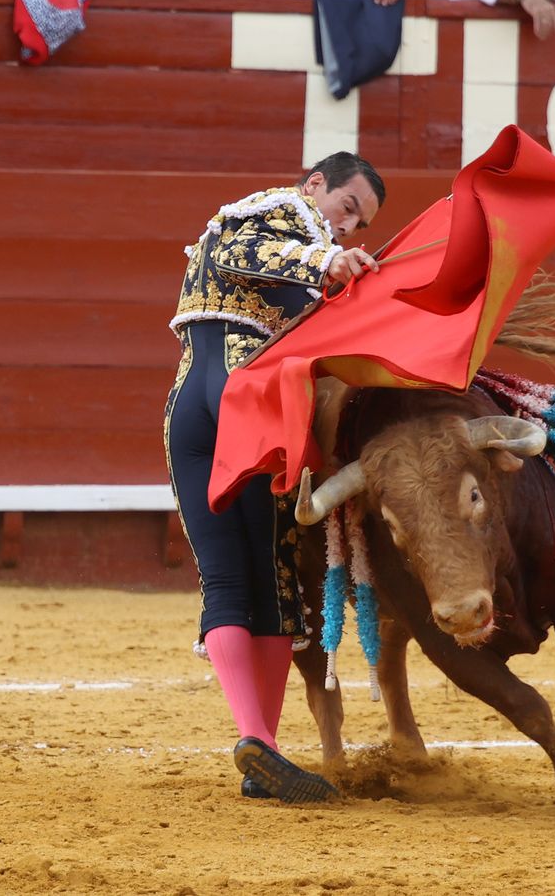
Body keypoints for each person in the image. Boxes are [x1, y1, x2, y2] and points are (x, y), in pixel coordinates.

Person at [164, 153, 383, 803]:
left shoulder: (306, 245)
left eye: (356, 224)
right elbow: (244, 252)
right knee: (271, 577)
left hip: (186, 407)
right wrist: (325, 262)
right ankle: (261, 742)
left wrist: (339, 278)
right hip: (244, 400)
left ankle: (259, 744)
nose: (343, 228)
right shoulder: (275, 212)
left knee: (237, 581)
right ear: (316, 183)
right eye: (345, 208)